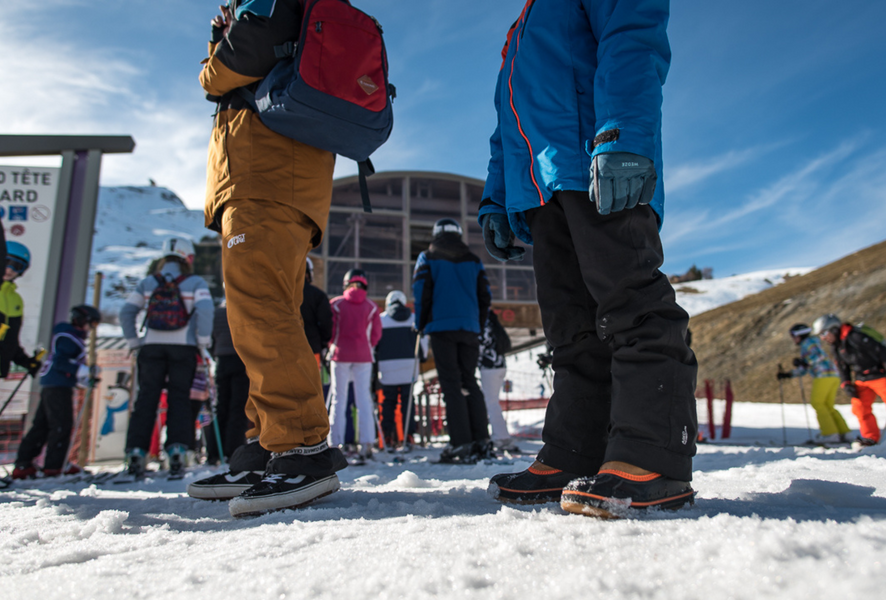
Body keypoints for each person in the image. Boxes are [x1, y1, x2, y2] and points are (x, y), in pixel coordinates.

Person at [480, 0, 698, 517]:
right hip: (540, 186)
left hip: (596, 162)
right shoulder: (522, 24)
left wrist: (622, 134)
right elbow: (506, 124)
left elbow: (633, 40)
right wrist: (497, 195)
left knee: (630, 301)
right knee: (570, 327)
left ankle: (653, 453)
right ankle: (575, 449)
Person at [191, 0, 348, 515]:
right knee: (262, 315)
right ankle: (270, 442)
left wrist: (214, 61)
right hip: (278, 178)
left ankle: (303, 447)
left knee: (261, 315)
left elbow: (235, 65)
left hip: (265, 177)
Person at [119, 236, 213, 478]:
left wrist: (134, 342)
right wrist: (203, 340)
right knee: (179, 398)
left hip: (151, 347)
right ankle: (177, 451)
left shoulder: (148, 282)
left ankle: (137, 452)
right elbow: (205, 310)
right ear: (188, 258)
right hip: (184, 348)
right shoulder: (195, 282)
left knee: (146, 398)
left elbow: (126, 311)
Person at [413, 218, 493, 463]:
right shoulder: (474, 260)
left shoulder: (427, 257)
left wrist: (421, 323)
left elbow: (421, 291)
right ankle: (482, 440)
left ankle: (461, 444)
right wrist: (477, 325)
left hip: (441, 326)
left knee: (451, 383)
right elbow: (485, 296)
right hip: (469, 328)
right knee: (470, 380)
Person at [12, 305, 100, 479]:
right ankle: (54, 466)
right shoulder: (68, 337)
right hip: (58, 386)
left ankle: (24, 463)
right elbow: (61, 362)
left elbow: (67, 364)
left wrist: (84, 377)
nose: (91, 328)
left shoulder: (69, 336)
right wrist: (84, 371)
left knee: (42, 425)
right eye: (92, 323)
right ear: (83, 320)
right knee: (61, 425)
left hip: (53, 384)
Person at [327, 269, 382, 463]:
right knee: (364, 400)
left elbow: (330, 330)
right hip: (363, 356)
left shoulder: (336, 304)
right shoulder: (372, 307)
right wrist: (367, 347)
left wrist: (332, 345)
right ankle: (366, 444)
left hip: (339, 354)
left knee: (339, 399)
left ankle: (335, 444)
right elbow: (376, 334)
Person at [813, 314, 886, 448]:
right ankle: (871, 438)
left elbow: (880, 351)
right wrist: (846, 383)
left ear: (834, 329)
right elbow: (842, 366)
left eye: (824, 333)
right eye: (820, 335)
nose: (823, 338)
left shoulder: (855, 336)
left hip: (880, 375)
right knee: (860, 408)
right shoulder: (836, 346)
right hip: (861, 378)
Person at [777, 323, 851, 444]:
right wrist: (789, 374)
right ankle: (844, 433)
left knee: (818, 403)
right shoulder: (810, 343)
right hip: (833, 375)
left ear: (800, 335)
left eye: (793, 335)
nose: (793, 339)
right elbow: (806, 367)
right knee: (827, 405)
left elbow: (818, 356)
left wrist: (804, 361)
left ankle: (830, 433)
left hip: (823, 375)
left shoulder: (809, 343)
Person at [375, 290, 424, 450]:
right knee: (408, 403)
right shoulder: (413, 318)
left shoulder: (381, 319)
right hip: (409, 367)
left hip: (387, 367)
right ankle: (408, 437)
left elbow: (374, 343)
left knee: (388, 403)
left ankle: (387, 437)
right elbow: (422, 343)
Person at [207, 298, 251, 462]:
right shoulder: (244, 311)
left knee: (220, 406)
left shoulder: (216, 313)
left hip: (221, 360)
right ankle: (233, 450)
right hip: (241, 361)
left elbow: (210, 339)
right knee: (238, 407)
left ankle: (213, 451)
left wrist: (215, 353)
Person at [0, 242, 42, 382]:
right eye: (7, 262)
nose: (10, 269)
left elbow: (10, 340)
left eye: (17, 266)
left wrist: (24, 361)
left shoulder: (15, 300)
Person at [478, 311, 519, 453]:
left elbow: (481, 345)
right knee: (492, 401)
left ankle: (501, 437)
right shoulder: (493, 323)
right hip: (499, 365)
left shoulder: (484, 323)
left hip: (489, 366)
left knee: (491, 402)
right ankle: (500, 435)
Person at [302, 257, 333, 369]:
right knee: (311, 383)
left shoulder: (280, 295)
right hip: (311, 347)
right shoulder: (317, 295)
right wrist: (323, 342)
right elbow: (326, 322)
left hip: (283, 350)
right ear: (308, 273)